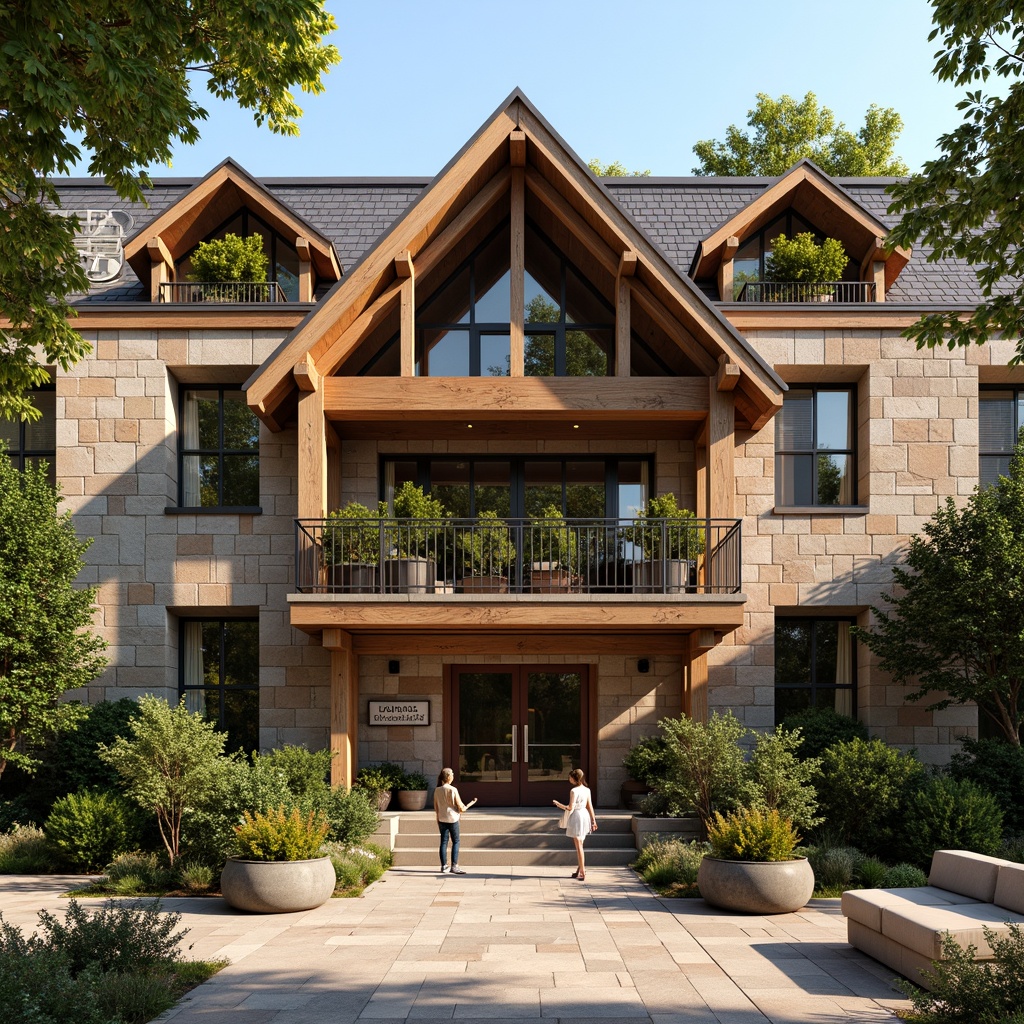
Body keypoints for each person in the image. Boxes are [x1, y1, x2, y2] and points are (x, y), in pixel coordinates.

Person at [553, 768, 597, 881]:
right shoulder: (587, 790)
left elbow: (570, 808)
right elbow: (590, 806)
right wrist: (593, 820)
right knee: (581, 843)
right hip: (585, 815)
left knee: (579, 846)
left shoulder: (574, 791)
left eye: (570, 777)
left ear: (574, 778)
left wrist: (558, 804)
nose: (569, 779)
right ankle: (579, 869)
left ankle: (582, 871)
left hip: (577, 817)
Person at [433, 767, 476, 874]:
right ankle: (454, 866)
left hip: (442, 818)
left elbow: (436, 807)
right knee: (456, 841)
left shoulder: (437, 790)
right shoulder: (453, 789)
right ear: (448, 776)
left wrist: (438, 818)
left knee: (443, 842)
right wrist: (465, 808)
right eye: (452, 774)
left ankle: (444, 866)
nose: (453, 775)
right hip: (453, 819)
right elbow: (461, 807)